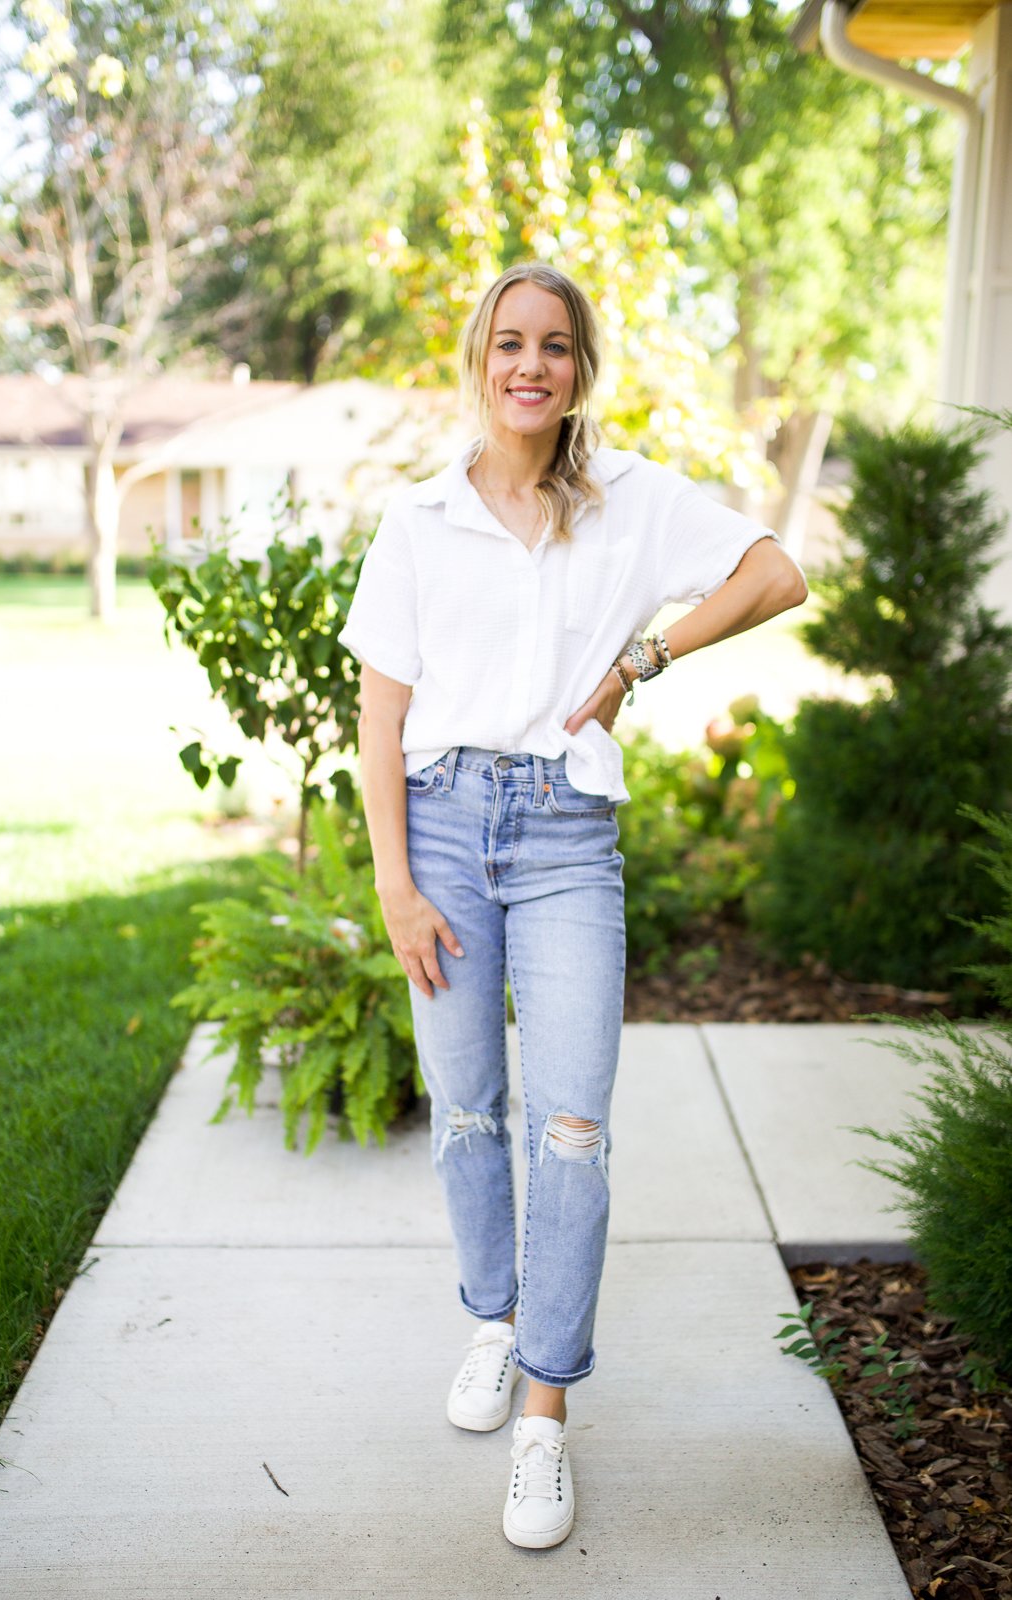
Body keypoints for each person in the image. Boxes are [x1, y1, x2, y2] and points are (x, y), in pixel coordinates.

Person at [336, 260, 808, 1549]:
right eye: (508, 343)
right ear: (479, 361)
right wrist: (395, 886)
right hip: (439, 829)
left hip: (563, 838)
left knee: (575, 1126)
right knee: (470, 1113)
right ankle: (495, 1318)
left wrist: (644, 656)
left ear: (580, 370)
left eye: (554, 345)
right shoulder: (419, 520)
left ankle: (545, 1415)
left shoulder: (635, 503)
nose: (529, 365)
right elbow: (380, 716)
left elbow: (777, 576)